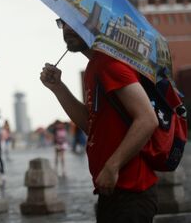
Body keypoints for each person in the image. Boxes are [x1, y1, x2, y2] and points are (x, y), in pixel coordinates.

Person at [40, 18, 159, 222]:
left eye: (73, 20)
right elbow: (90, 124)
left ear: (96, 23)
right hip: (112, 190)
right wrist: (58, 87)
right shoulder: (95, 67)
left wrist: (112, 166)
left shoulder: (109, 64)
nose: (67, 27)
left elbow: (148, 119)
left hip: (130, 192)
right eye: (63, 22)